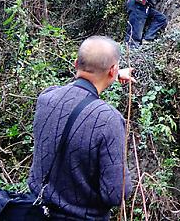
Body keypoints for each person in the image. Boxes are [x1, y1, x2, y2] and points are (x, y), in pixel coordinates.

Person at [27, 36, 134, 220]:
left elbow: (75, 93)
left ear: (76, 63)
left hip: (35, 212)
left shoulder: (46, 98)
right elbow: (115, 193)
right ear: (113, 70)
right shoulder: (108, 119)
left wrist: (111, 74)